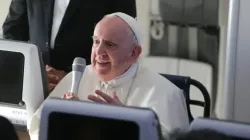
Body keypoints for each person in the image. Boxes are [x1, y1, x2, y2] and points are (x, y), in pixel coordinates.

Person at [28, 12, 189, 140]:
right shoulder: (77, 78)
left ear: (134, 53)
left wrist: (127, 123)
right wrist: (62, 120)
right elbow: (37, 127)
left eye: (110, 45)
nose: (98, 52)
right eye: (96, 42)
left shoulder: (165, 93)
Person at [2, 0, 136, 92]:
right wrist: (35, 74)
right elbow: (12, 32)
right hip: (33, 89)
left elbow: (124, 43)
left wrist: (73, 79)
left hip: (90, 92)